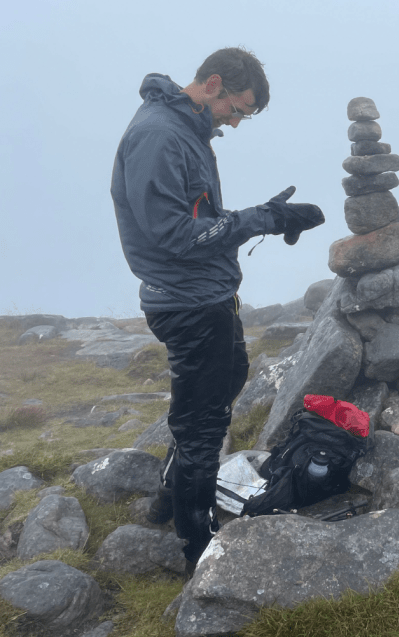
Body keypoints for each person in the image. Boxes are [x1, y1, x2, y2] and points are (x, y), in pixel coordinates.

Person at [110, 47, 324, 574]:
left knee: (227, 380)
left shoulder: (188, 131)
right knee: (204, 425)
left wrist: (262, 218)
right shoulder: (160, 136)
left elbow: (200, 216)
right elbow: (172, 234)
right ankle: (198, 547)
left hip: (206, 292)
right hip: (186, 300)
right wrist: (262, 219)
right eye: (239, 109)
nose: (237, 120)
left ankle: (169, 493)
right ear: (212, 85)